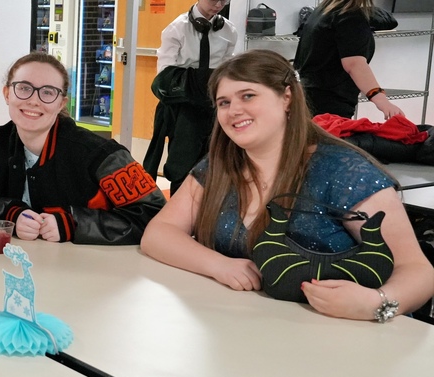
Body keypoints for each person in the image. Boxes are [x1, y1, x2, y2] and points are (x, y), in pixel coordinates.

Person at [141, 50, 433, 321]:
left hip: (341, 337)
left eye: (248, 96)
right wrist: (218, 265)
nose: (233, 110)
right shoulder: (219, 166)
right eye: (224, 103)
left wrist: (375, 303)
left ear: (287, 98)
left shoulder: (344, 171)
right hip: (246, 329)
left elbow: (418, 271)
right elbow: (159, 233)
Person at [0, 53, 166, 245]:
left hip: (91, 270)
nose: (34, 100)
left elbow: (154, 215)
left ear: (61, 103)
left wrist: (72, 224)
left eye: (48, 92)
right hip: (17, 264)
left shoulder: (102, 154)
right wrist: (11, 215)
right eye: (24, 88)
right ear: (7, 94)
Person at [144, 0, 237, 195]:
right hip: (183, 107)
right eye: (214, 0)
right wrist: (196, 79)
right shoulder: (176, 29)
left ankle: (207, 208)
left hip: (213, 105)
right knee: (182, 165)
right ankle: (179, 206)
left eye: (224, 0)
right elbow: (164, 76)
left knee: (215, 161)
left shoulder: (229, 31)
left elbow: (227, 70)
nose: (219, 5)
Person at [294, 0, 403, 120]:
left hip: (308, 95)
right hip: (330, 102)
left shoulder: (323, 12)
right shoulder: (349, 17)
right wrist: (381, 100)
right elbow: (354, 64)